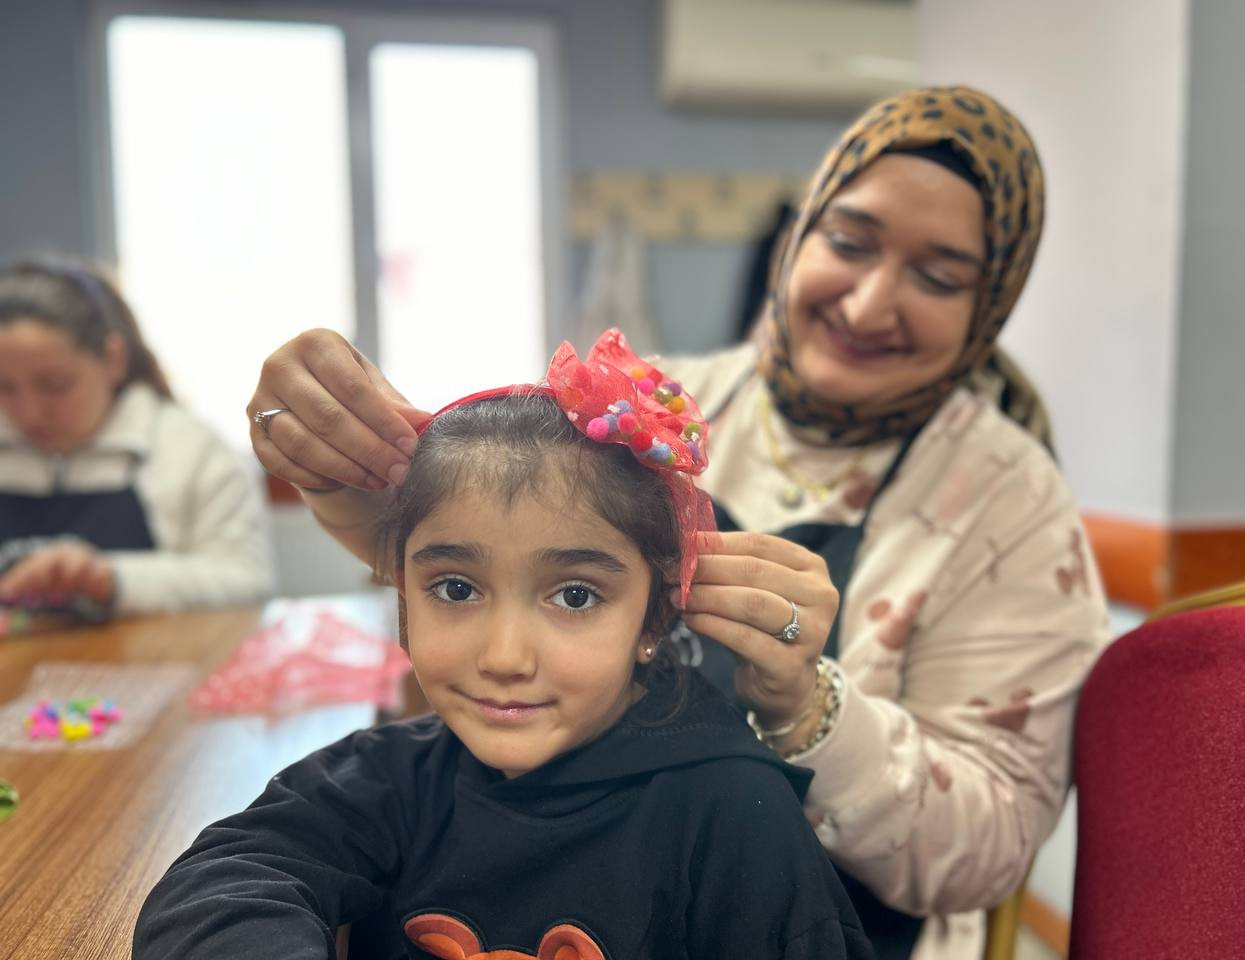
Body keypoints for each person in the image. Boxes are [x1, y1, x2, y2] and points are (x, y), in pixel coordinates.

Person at [245, 85, 1111, 960]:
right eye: (849, 243)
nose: (867, 303)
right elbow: (494, 557)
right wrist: (339, 460)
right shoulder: (646, 410)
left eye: (938, 278)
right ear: (797, 238)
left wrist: (808, 709)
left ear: (989, 304)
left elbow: (990, 850)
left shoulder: (1013, 506)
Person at [134, 333, 874, 960]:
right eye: (456, 589)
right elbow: (217, 889)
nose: (505, 658)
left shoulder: (736, 812)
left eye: (575, 596)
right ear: (403, 592)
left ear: (652, 620)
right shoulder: (395, 781)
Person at [0, 258, 271, 623]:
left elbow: (246, 582)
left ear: (113, 359)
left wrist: (109, 578)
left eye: (55, 385)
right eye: (4, 387)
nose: (29, 412)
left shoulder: (191, 450)